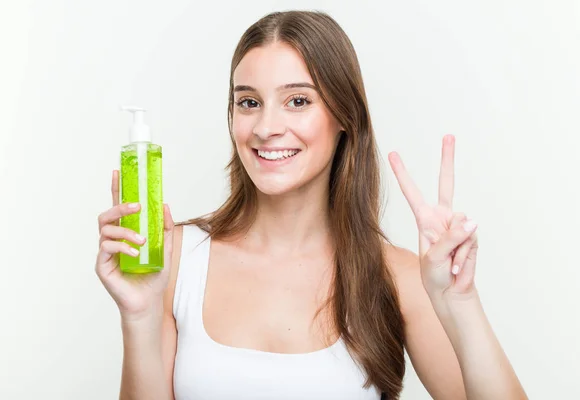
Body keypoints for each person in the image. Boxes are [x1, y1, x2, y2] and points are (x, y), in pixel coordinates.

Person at [95, 10, 527, 400]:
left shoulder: (397, 276)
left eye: (297, 101)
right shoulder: (175, 258)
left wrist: (460, 302)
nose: (266, 127)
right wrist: (140, 316)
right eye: (248, 102)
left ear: (344, 115)